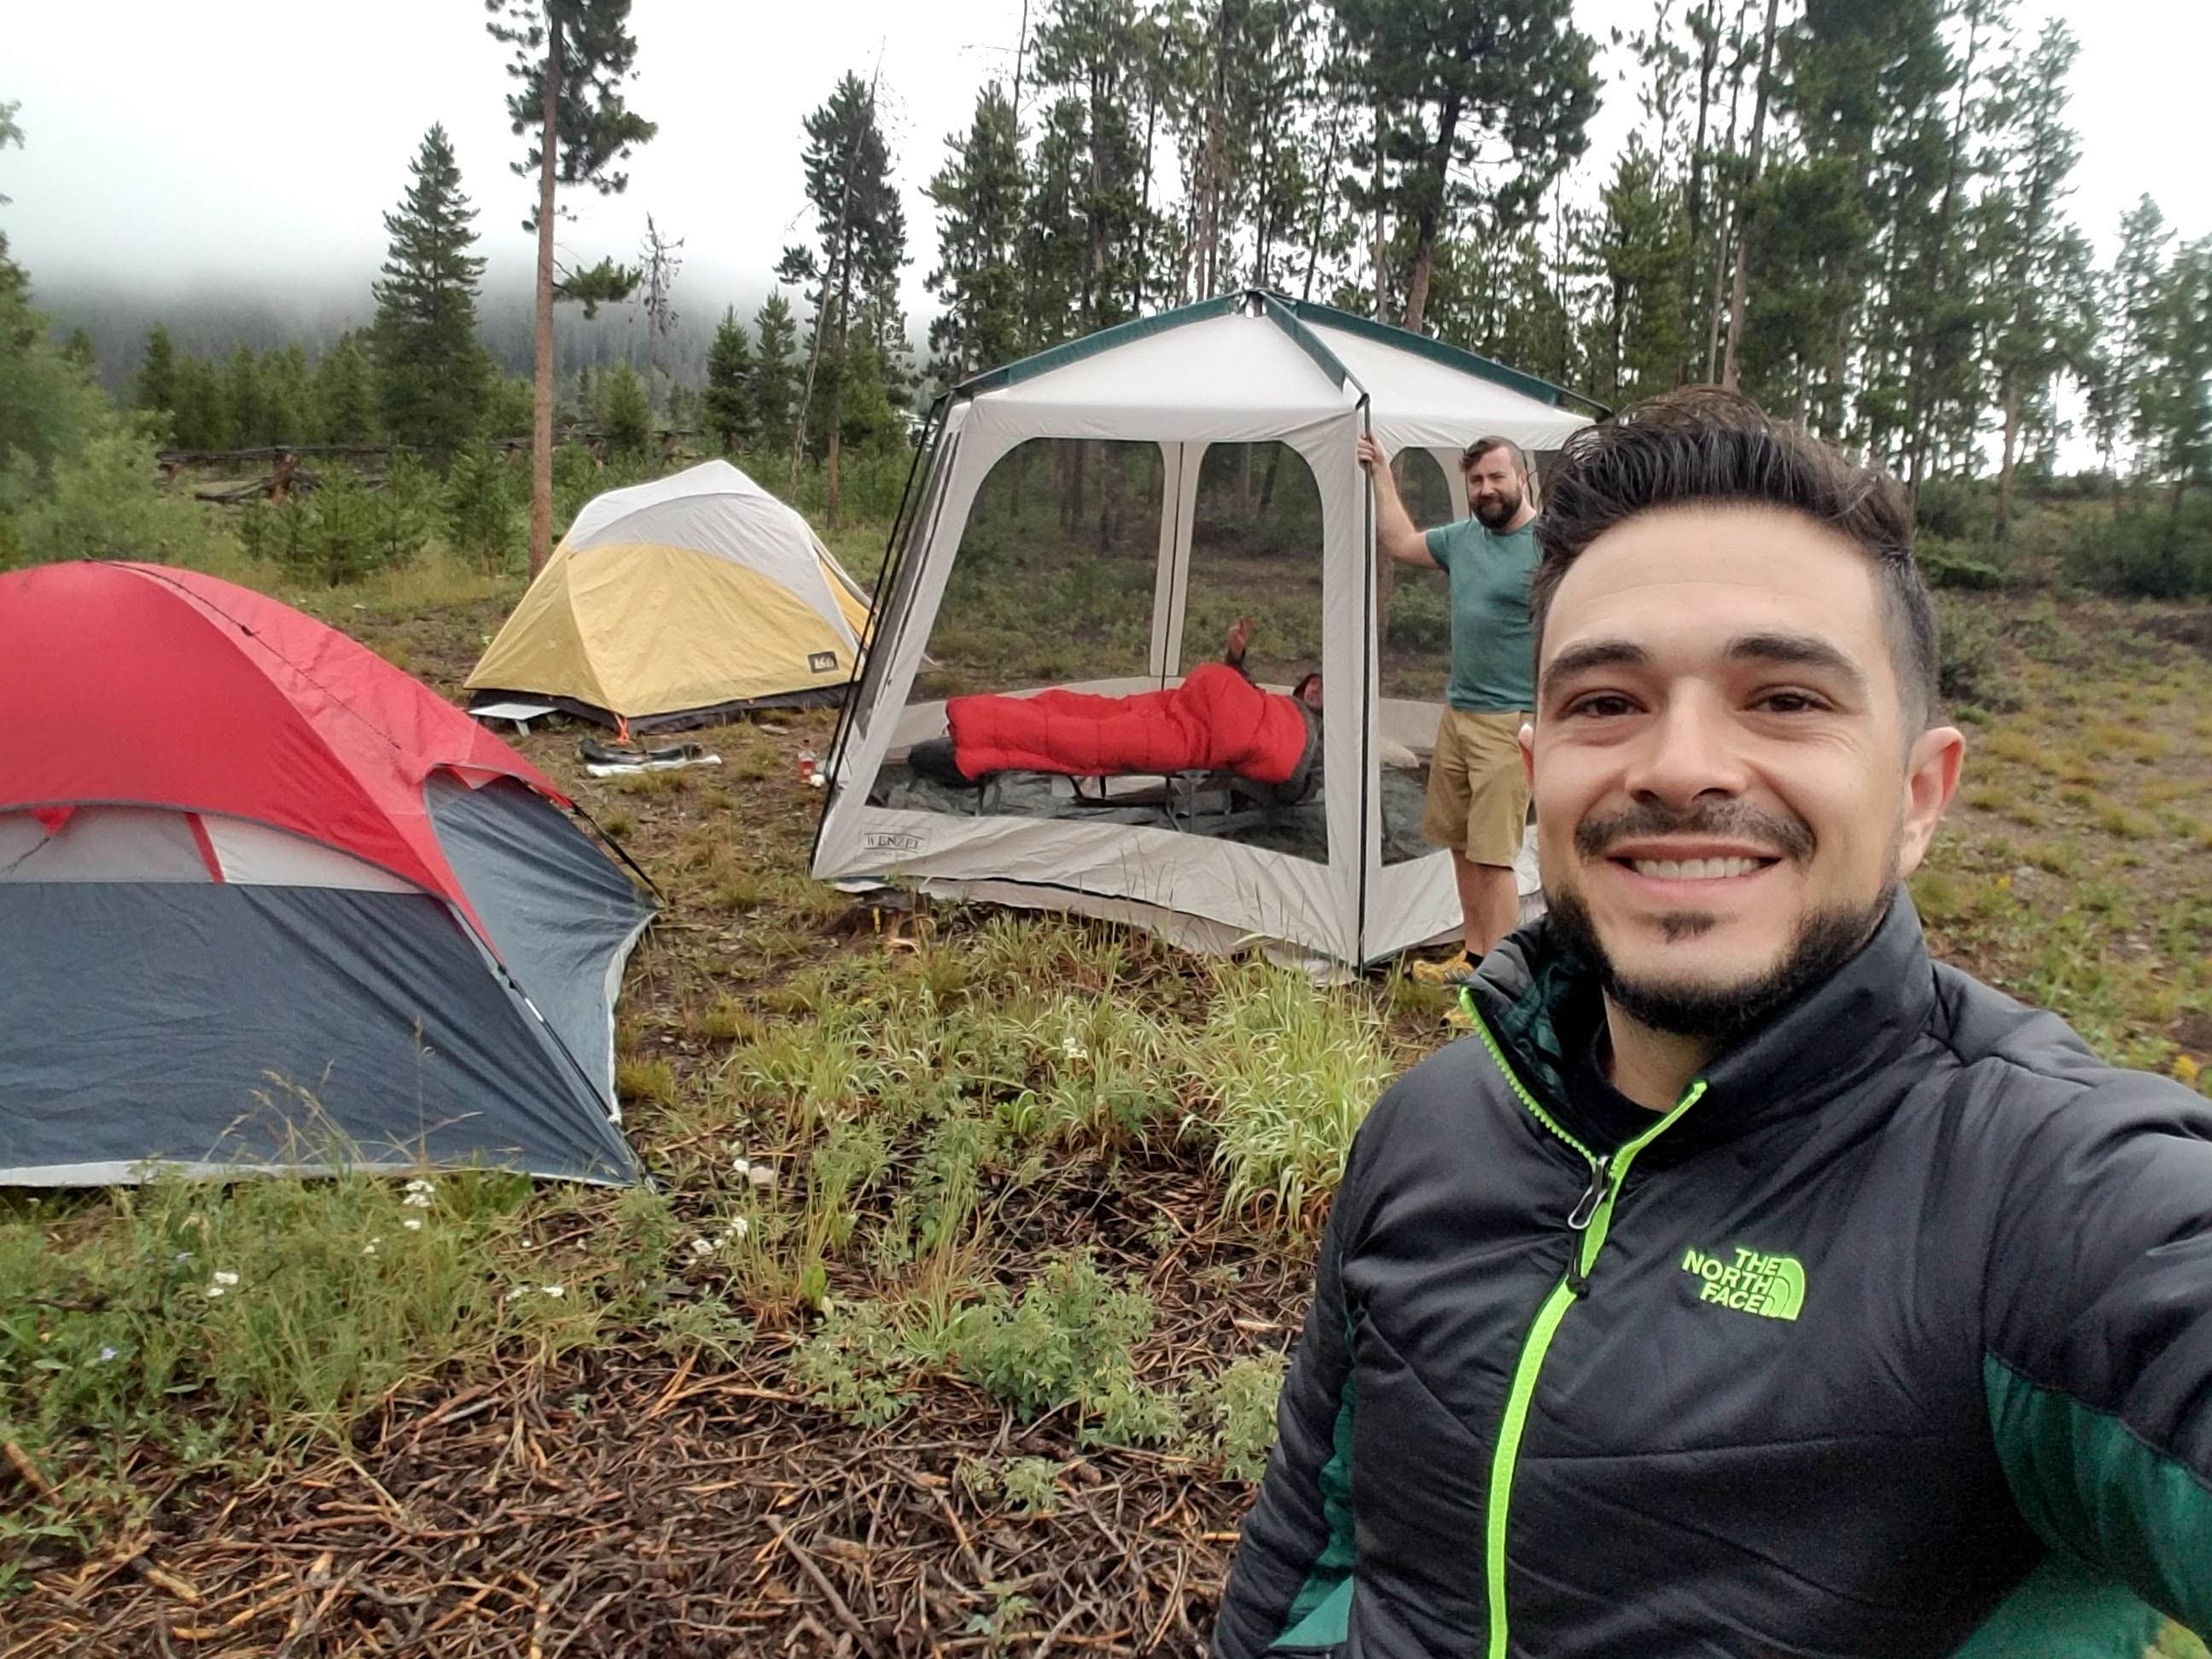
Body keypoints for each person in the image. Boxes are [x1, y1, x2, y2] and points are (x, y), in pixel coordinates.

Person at [1214, 390, 2212, 1658]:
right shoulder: (1429, 1128)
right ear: (1543, 772)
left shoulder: (2043, 1201)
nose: (1681, 765)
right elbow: (1307, 1550)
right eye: (1605, 702)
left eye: (1784, 698)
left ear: (1919, 795)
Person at [1359, 431, 1539, 982]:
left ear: (1522, 478)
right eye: (1476, 480)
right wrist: (1381, 471)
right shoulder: (1463, 540)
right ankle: (1475, 956)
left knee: (1493, 856)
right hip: (1458, 715)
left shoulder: (1551, 548)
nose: (1486, 489)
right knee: (1461, 846)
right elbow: (1399, 542)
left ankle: (1500, 987)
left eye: (1497, 477)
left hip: (1511, 723)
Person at [907, 619, 1323, 804]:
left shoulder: (1318, 749)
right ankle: (979, 729)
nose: (1318, 687)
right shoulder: (1280, 703)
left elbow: (1288, 787)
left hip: (1181, 739)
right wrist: (1234, 658)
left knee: (1078, 739)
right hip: (1172, 709)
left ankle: (972, 747)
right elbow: (1245, 696)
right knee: (1070, 706)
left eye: (1327, 690)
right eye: (1317, 680)